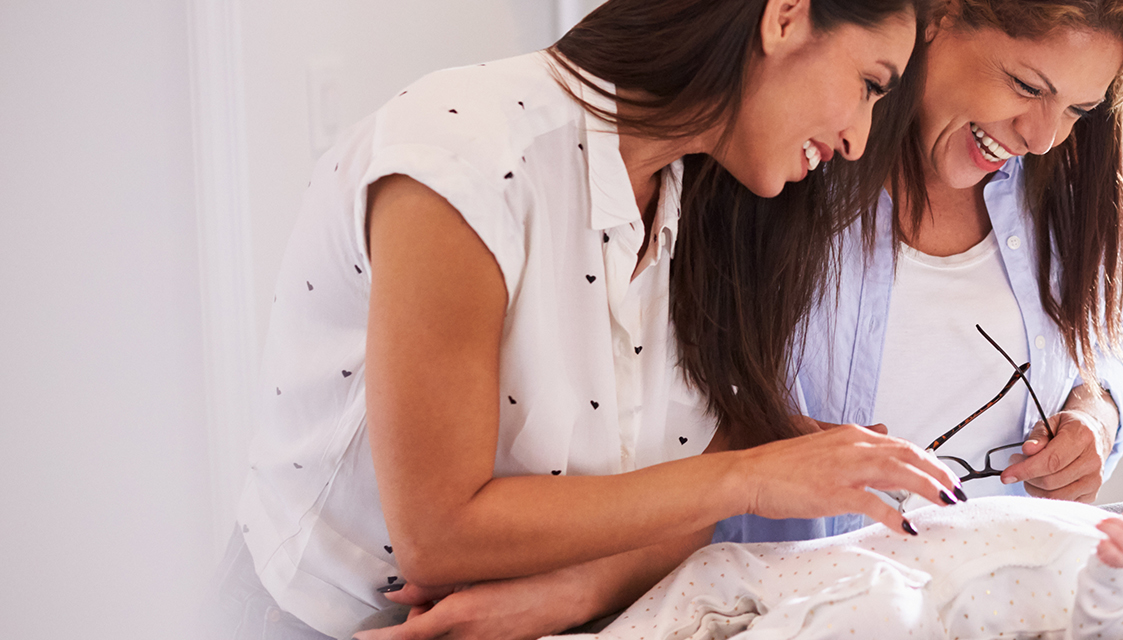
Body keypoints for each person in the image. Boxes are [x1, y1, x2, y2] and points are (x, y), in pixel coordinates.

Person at [215, 1, 966, 639]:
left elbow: (681, 484)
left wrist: (575, 591)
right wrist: (745, 479)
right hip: (315, 618)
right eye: (870, 85)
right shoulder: (466, 157)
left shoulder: (705, 201)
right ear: (786, 15)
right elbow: (438, 533)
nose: (859, 141)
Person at [714, 0, 1123, 545]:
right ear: (941, 16)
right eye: (1027, 86)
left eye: (1078, 110)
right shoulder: (791, 156)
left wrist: (1097, 410)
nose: (1042, 137)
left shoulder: (1068, 186)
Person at [557, 474, 1123, 639]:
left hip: (902, 605)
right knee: (713, 574)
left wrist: (1113, 578)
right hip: (866, 554)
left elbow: (1103, 637)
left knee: (874, 606)